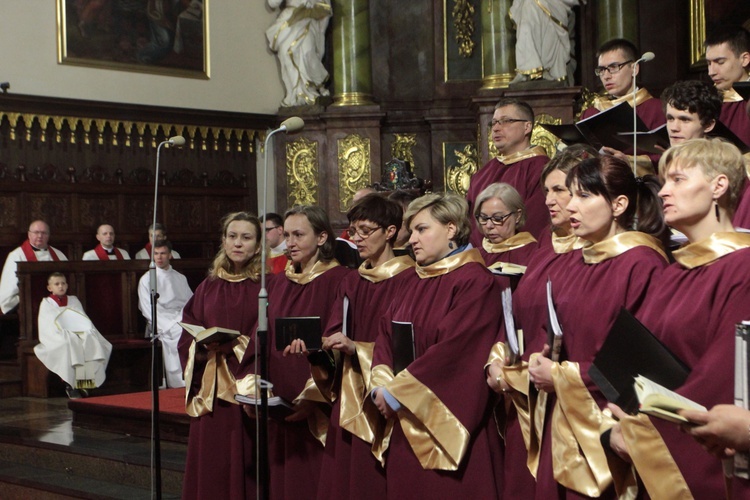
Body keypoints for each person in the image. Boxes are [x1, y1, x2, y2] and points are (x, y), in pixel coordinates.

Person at [606, 138, 750, 499]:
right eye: (664, 181)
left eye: (678, 180)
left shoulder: (742, 268)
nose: (664, 191)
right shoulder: (676, 269)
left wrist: (640, 430)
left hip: (701, 459)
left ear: (719, 186)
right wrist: (619, 417)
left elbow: (720, 378)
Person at [367, 193, 503, 498]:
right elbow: (385, 336)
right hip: (401, 421)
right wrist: (380, 386)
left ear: (451, 229)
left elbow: (457, 354)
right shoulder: (411, 280)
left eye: (421, 229)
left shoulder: (475, 282)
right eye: (411, 231)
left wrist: (396, 393)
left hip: (446, 431)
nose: (411, 239)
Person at [485, 144, 597, 499]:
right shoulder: (545, 247)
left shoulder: (593, 253)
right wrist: (497, 357)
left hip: (566, 403)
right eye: (546, 190)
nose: (549, 199)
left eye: (561, 190)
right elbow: (518, 313)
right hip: (524, 397)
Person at [289, 194, 416, 499]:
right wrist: (319, 351)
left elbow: (406, 344)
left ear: (390, 232)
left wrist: (356, 347)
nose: (356, 239)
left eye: (365, 230)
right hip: (348, 388)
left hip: (387, 393)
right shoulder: (352, 280)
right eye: (353, 231)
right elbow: (336, 330)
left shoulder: (409, 277)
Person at [251, 205, 350, 498]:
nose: (290, 242)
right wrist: (257, 387)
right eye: (288, 234)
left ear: (321, 238)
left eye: (299, 235)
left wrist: (312, 398)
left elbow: (339, 341)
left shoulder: (341, 280)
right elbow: (261, 337)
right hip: (278, 399)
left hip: (318, 403)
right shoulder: (278, 283)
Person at [177, 211, 264, 500]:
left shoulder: (266, 286)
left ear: (259, 245)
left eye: (246, 237)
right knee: (211, 464)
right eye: (232, 236)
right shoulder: (208, 286)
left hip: (243, 389)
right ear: (223, 241)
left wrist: (235, 345)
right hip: (210, 388)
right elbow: (189, 327)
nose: (238, 243)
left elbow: (268, 335)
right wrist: (201, 345)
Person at [467, 98, 549, 245]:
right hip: (480, 256)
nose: (496, 128)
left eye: (506, 121)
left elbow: (536, 221)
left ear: (527, 127)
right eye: (494, 123)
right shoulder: (483, 173)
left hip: (520, 257)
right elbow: (471, 224)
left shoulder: (541, 168)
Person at [35, 272, 112, 399]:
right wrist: (65, 333)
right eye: (57, 284)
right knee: (68, 344)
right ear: (50, 288)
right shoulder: (47, 303)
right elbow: (47, 324)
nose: (61, 286)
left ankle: (85, 383)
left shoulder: (73, 300)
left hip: (78, 332)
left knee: (90, 340)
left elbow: (83, 319)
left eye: (63, 283)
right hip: (57, 336)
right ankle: (70, 385)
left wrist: (86, 330)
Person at [138, 239, 193, 388]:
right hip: (160, 319)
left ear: (170, 255)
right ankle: (178, 381)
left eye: (163, 253)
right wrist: (168, 324)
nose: (159, 257)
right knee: (178, 331)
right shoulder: (147, 279)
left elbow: (190, 303)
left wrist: (183, 318)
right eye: (156, 254)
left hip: (181, 316)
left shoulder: (180, 278)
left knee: (194, 330)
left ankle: (193, 378)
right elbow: (147, 308)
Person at [581, 38, 666, 130]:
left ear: (634, 69)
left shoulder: (657, 109)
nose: (606, 76)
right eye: (601, 70)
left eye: (613, 67)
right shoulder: (591, 114)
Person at [266, 0, 332, 107]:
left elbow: (325, 8)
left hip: (308, 20)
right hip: (290, 20)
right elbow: (272, 3)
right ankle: (294, 93)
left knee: (307, 52)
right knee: (285, 53)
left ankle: (313, 88)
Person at [0, 220, 68, 314]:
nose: (40, 236)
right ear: (29, 234)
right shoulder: (17, 255)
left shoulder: (59, 255)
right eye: (36, 232)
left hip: (56, 305)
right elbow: (9, 287)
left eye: (44, 233)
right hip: (29, 304)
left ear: (48, 235)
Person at [509, 0, 583, 86]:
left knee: (547, 30)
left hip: (554, 6)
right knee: (526, 18)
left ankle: (545, 69)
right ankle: (526, 68)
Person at [474, 182, 537, 269]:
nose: (489, 225)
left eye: (497, 218)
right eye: (484, 218)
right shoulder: (475, 257)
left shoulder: (533, 254)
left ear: (517, 216)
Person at [705, 26, 750, 145]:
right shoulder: (706, 100)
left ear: (744, 59)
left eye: (720, 62)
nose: (711, 72)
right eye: (709, 63)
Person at [661, 79, 722, 146]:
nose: (674, 128)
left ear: (708, 125)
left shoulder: (720, 156)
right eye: (670, 119)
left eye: (685, 120)